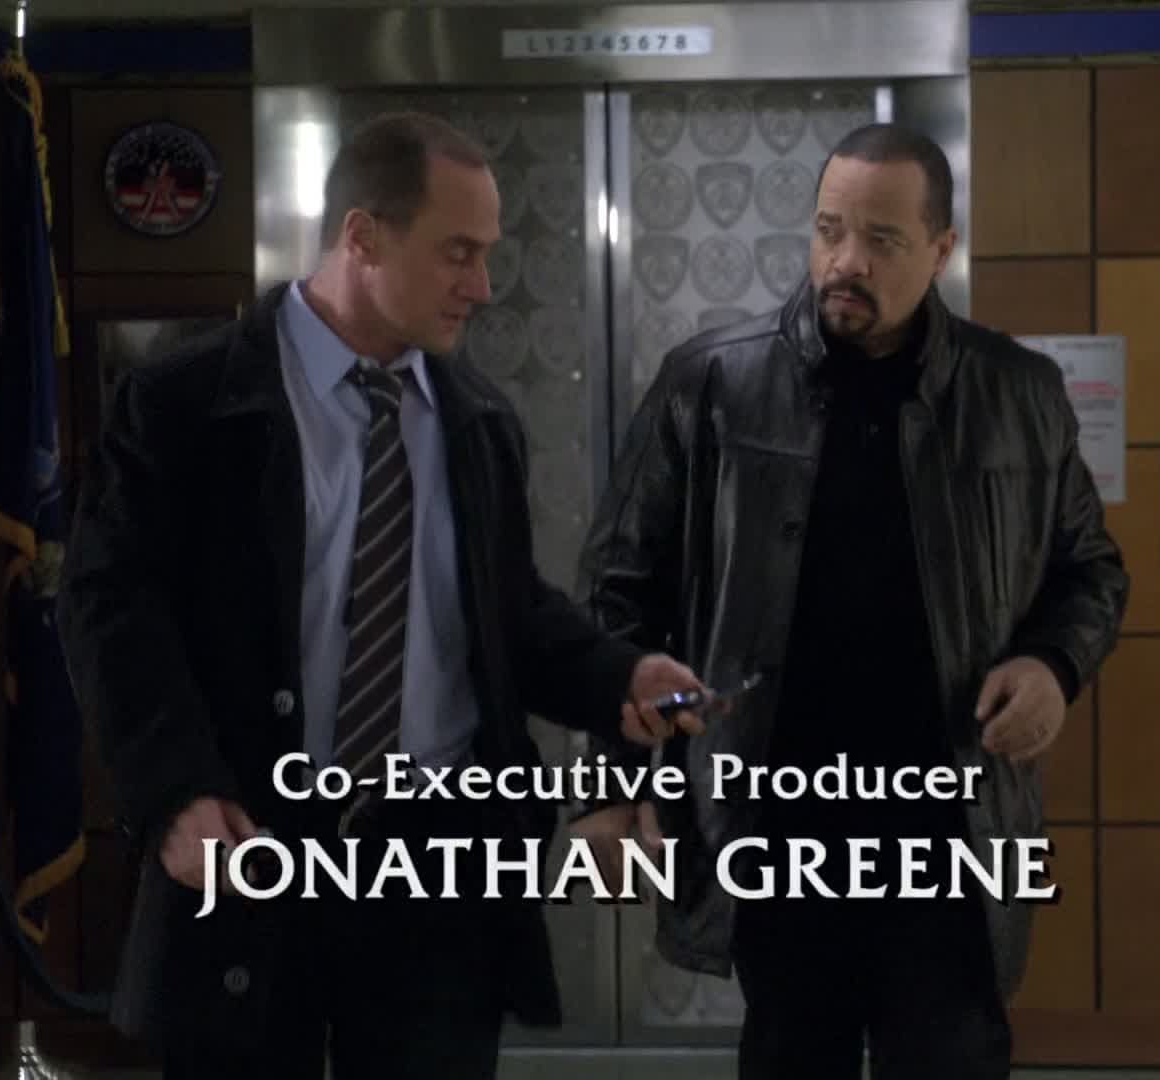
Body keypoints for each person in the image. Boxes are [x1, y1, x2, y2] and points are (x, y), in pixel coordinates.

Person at [56, 110, 703, 1080]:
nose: (482, 286)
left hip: (439, 867)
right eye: (457, 253)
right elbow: (110, 611)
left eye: (487, 255)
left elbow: (508, 616)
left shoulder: (478, 419)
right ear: (362, 237)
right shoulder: (185, 403)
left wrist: (621, 674)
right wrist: (177, 791)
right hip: (256, 837)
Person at [572, 122, 1131, 1078]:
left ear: (941, 251)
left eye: (881, 240)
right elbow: (615, 594)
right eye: (830, 231)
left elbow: (1091, 571)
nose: (845, 262)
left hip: (951, 832)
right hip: (776, 826)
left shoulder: (1018, 395)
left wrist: (1053, 665)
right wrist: (612, 785)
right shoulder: (712, 384)